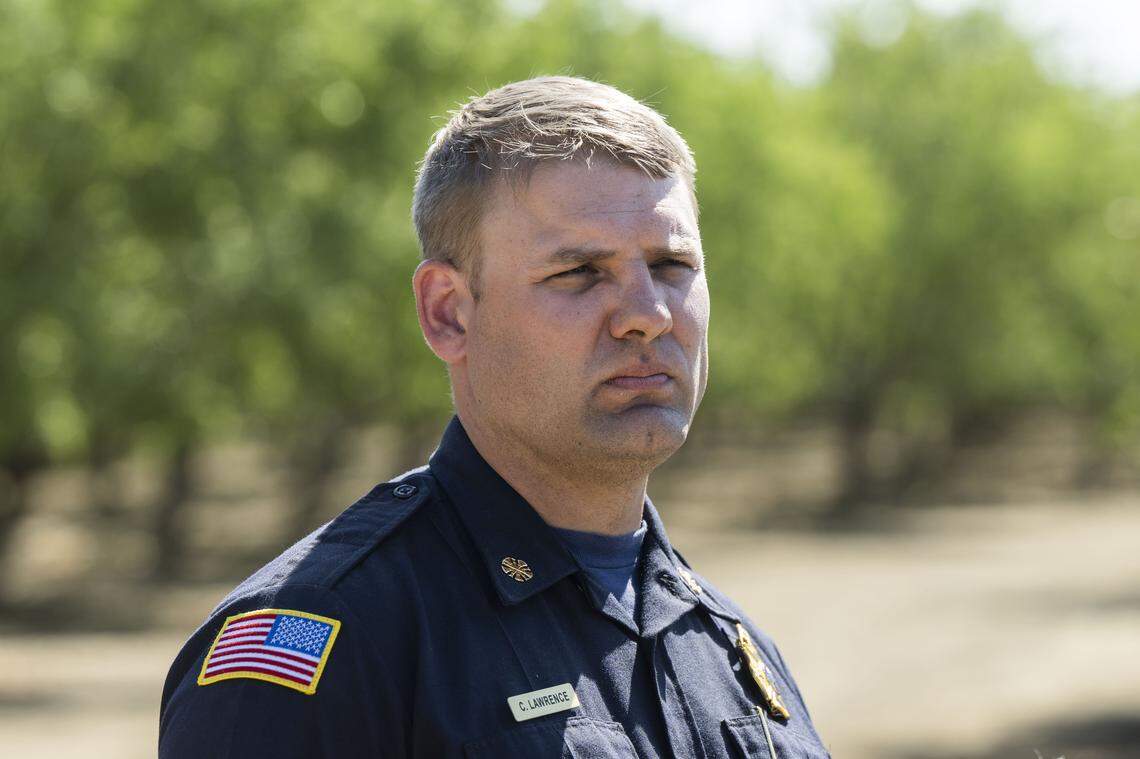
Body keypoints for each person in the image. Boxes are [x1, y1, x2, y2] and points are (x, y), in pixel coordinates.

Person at [159, 75, 830, 758]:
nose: (648, 315)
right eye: (580, 272)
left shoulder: (731, 649)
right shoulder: (333, 638)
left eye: (672, 264)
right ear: (448, 311)